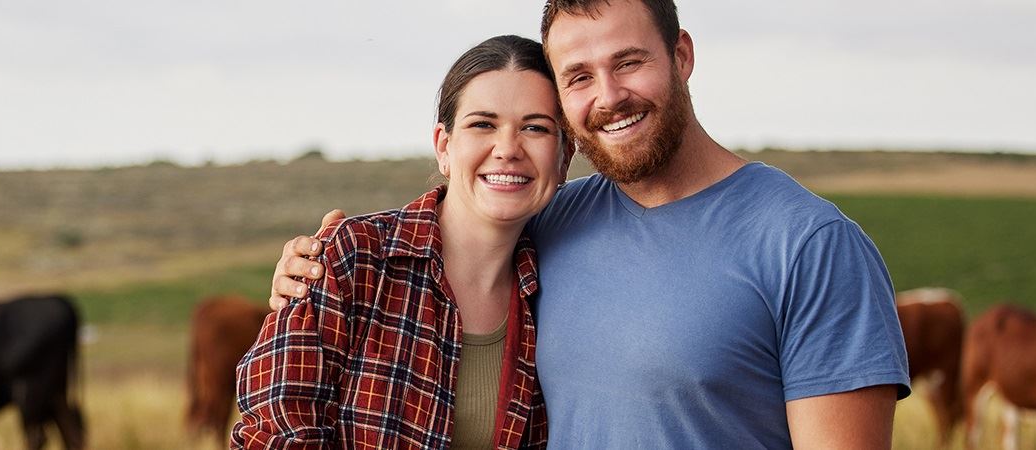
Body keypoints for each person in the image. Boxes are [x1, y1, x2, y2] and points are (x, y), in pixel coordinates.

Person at [266, 1, 910, 448]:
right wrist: (323, 264)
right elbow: (463, 211)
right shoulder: (550, 224)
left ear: (681, 54)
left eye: (629, 62)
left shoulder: (810, 246)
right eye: (578, 77)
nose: (608, 95)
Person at [231, 35, 569, 450]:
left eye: (535, 128)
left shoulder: (560, 285)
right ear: (444, 147)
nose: (507, 149)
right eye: (483, 124)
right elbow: (274, 435)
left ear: (564, 157)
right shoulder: (351, 258)